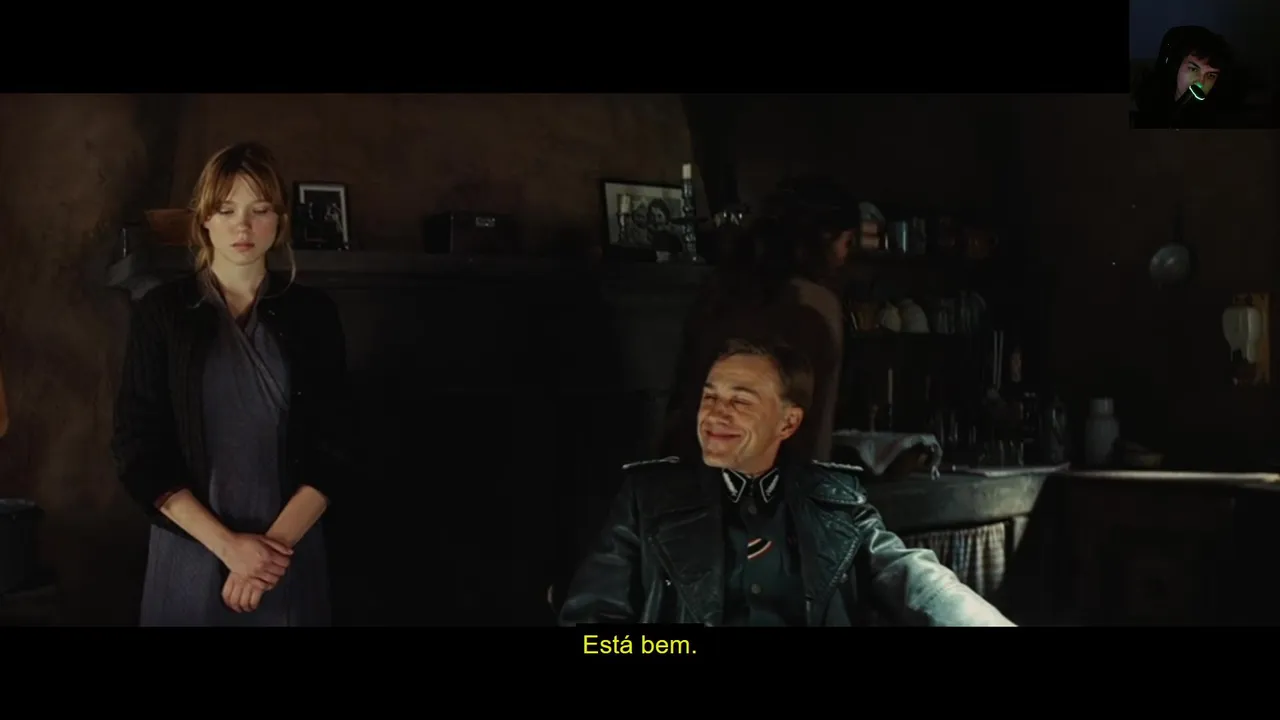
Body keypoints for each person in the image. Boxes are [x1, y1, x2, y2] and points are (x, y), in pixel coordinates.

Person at [559, 337, 1013, 626]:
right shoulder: (648, 498)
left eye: (741, 402)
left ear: (788, 422)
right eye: (710, 398)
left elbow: (915, 579)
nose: (716, 415)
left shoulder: (832, 500)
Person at [112, 142, 355, 626]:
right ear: (204, 219)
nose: (242, 227)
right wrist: (229, 547)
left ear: (279, 221)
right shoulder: (162, 313)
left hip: (289, 550)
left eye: (259, 210)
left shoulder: (314, 314)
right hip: (190, 549)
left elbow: (336, 446)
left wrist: (267, 558)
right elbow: (138, 448)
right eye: (226, 210)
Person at [662, 175, 855, 463]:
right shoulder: (815, 303)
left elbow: (685, 388)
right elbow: (815, 412)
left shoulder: (719, 289)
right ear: (826, 237)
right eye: (847, 242)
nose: (845, 256)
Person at [1132, 25, 1235, 129]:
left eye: (1211, 75)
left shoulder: (1219, 121)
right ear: (1175, 68)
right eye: (1193, 69)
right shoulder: (1145, 111)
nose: (1200, 82)